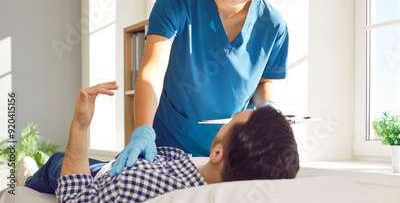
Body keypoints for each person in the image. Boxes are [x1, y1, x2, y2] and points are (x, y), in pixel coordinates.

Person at [112, 0, 289, 175]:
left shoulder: (273, 25)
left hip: (229, 156)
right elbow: (153, 71)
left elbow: (263, 82)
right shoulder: (177, 1)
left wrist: (268, 107)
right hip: (167, 148)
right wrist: (143, 130)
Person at [18, 82, 299, 202]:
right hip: (117, 167)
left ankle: (29, 180)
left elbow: (76, 197)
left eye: (231, 121)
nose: (226, 120)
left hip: (96, 176)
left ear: (216, 153)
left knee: (53, 164)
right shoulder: (213, 178)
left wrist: (80, 124)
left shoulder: (141, 183)